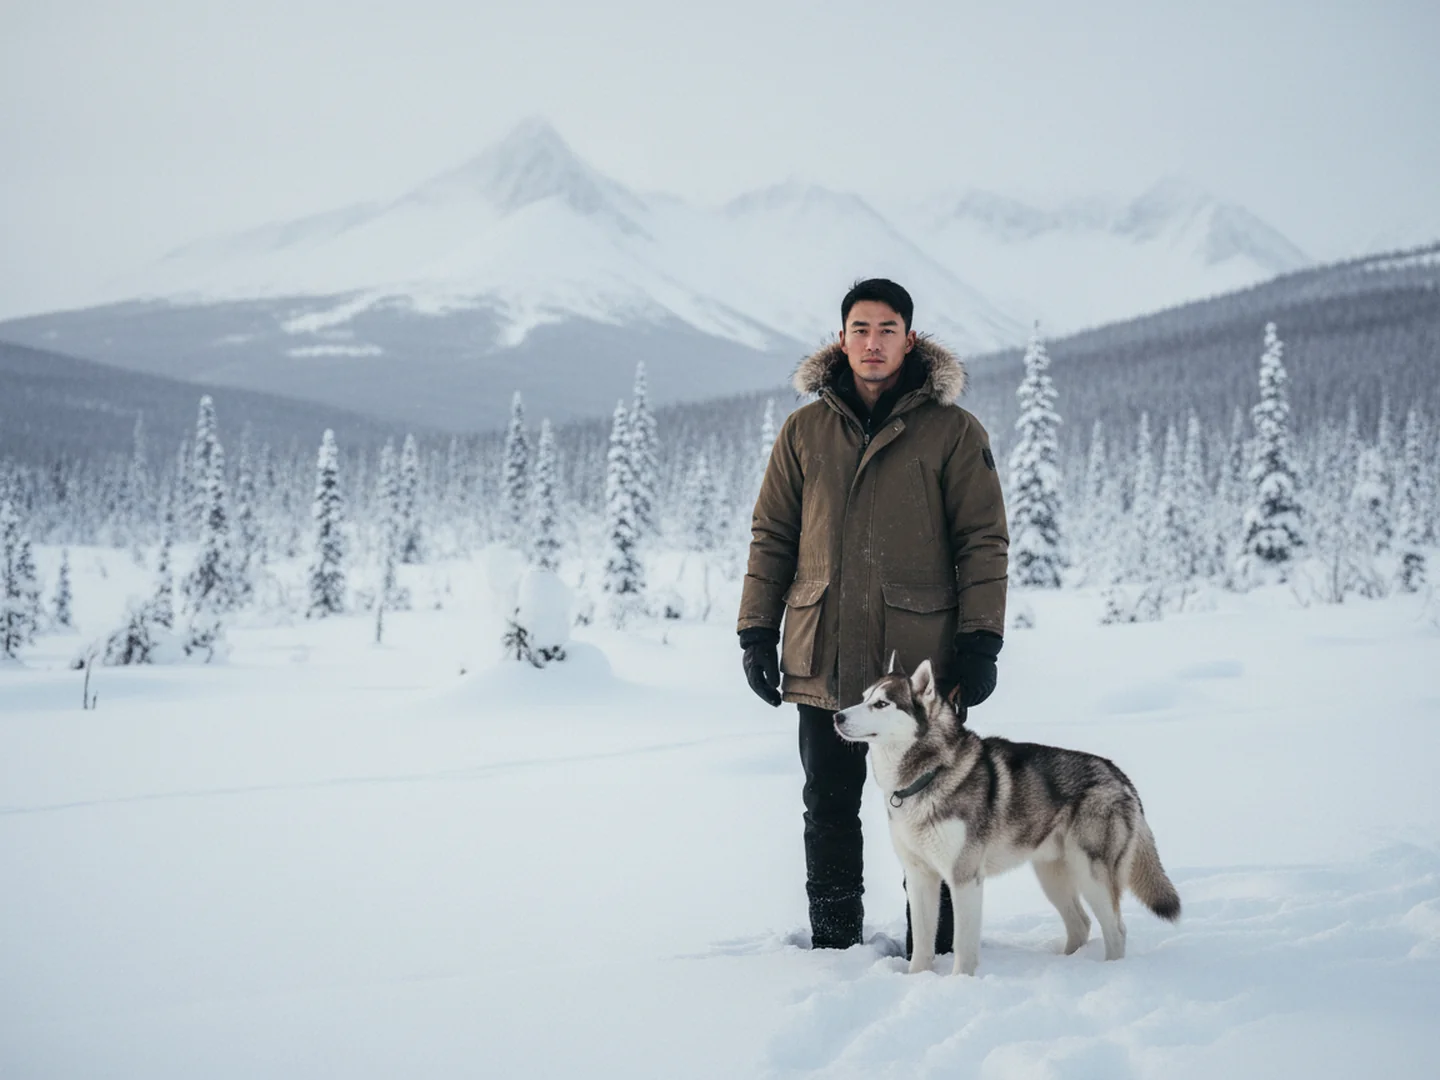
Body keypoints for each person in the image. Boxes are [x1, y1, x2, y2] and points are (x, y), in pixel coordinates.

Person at [737, 278, 1009, 951]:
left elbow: (982, 541)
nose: (873, 342)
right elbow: (772, 535)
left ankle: (939, 947)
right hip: (823, 654)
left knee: (938, 805)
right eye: (860, 329)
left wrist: (980, 641)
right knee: (827, 807)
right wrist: (757, 631)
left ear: (909, 340)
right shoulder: (804, 430)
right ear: (841, 339)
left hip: (916, 672)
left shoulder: (952, 431)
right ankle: (835, 945)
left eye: (887, 329)